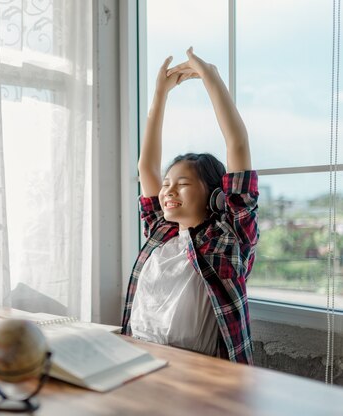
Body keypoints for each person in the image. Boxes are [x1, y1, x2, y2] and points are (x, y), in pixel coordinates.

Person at [120, 47, 259, 365]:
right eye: (167, 184)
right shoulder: (161, 232)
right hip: (141, 362)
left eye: (182, 184)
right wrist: (160, 93)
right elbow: (147, 168)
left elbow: (237, 145)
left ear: (215, 194)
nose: (167, 190)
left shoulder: (224, 241)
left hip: (200, 376)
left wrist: (212, 79)